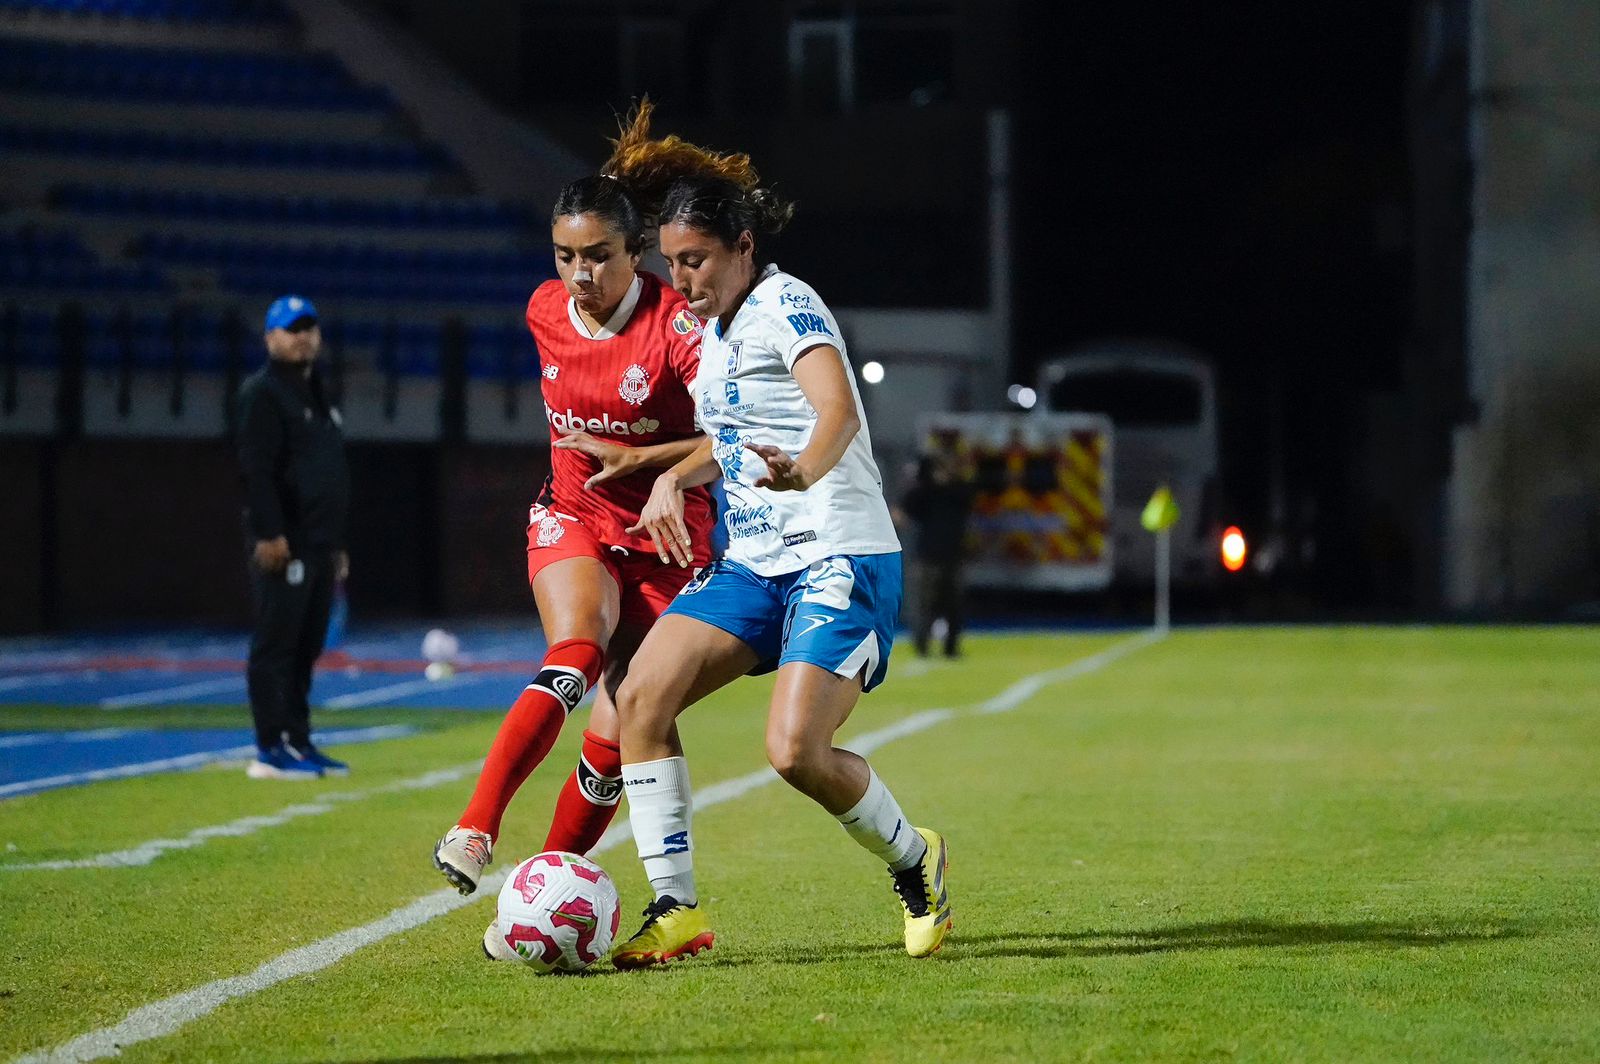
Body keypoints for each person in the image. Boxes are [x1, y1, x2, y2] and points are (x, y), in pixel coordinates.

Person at [600, 112, 951, 967]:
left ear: (743, 246)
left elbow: (834, 409)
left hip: (839, 550)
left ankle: (916, 860)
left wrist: (805, 469)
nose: (682, 281)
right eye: (672, 264)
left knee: (795, 751)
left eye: (697, 262)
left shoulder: (786, 304)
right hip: (754, 562)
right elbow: (730, 438)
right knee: (639, 699)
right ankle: (675, 907)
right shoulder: (706, 335)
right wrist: (671, 475)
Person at [432, 171, 713, 920]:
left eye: (598, 256)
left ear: (638, 252)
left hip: (668, 538)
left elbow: (733, 434)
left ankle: (542, 897)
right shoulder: (544, 309)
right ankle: (475, 827)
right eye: (564, 255)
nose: (580, 275)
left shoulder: (677, 326)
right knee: (576, 649)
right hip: (575, 514)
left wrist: (653, 466)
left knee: (620, 731)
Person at [234, 295, 351, 780]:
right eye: (291, 328)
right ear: (270, 337)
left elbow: (326, 473)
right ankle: (269, 747)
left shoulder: (314, 390)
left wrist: (338, 543)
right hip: (287, 541)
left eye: (308, 327)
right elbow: (255, 470)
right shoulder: (262, 392)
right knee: (276, 644)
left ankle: (299, 741)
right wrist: (269, 532)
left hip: (320, 542)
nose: (302, 336)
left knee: (306, 646)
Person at [898, 451, 975, 657]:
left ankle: (951, 648)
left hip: (953, 557)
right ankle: (922, 648)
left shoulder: (959, 491)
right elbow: (900, 514)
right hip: (928, 557)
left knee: (954, 607)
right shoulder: (925, 492)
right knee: (925, 605)